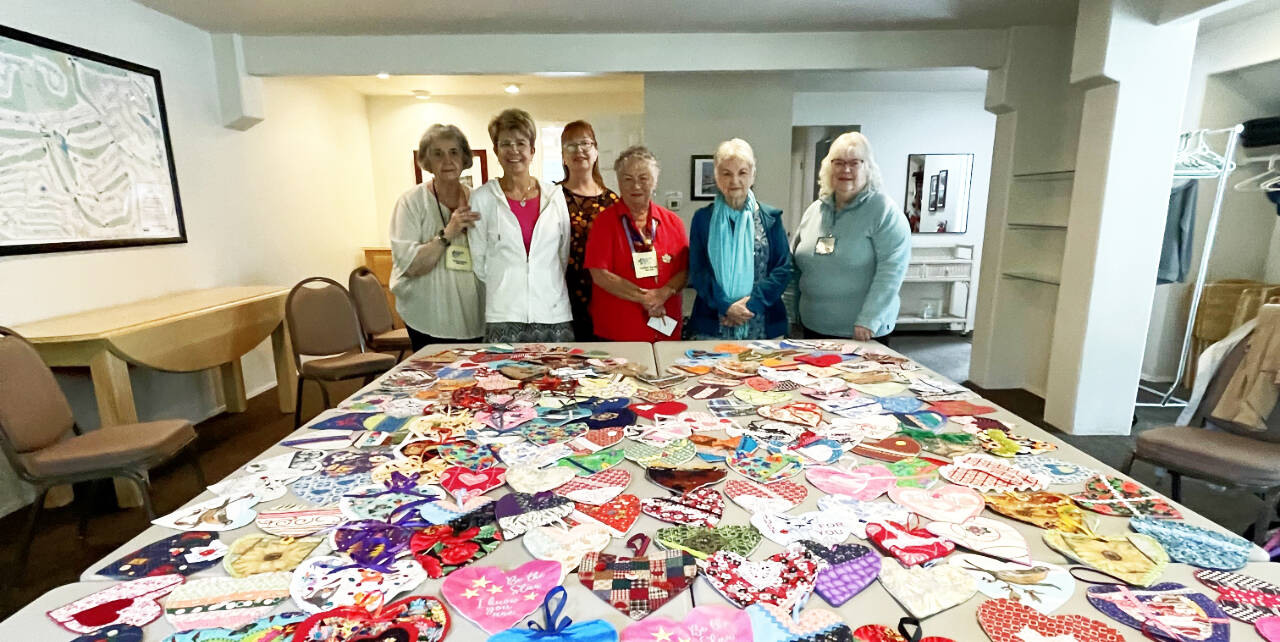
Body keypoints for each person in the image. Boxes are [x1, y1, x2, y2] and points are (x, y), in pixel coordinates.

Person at [791, 131, 910, 342]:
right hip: (813, 326)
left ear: (868, 168)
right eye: (838, 162)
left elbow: (891, 272)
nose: (845, 169)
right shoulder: (814, 210)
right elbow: (795, 263)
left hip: (861, 332)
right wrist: (791, 312)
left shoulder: (884, 212)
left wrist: (868, 320)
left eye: (854, 163)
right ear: (829, 168)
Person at [469, 108, 574, 342]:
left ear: (532, 150)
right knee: (501, 379)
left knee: (559, 378)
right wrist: (508, 285)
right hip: (503, 314)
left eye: (521, 143)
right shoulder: (482, 199)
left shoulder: (554, 196)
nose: (514, 151)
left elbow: (562, 253)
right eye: (505, 143)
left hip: (553, 312)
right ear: (496, 150)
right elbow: (479, 262)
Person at [388, 124, 484, 351]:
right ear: (427, 162)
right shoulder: (411, 202)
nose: (447, 161)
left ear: (464, 158)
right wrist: (448, 232)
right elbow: (411, 266)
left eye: (454, 152)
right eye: (437, 154)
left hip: (475, 314)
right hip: (428, 316)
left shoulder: (480, 200)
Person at [687, 138, 792, 340]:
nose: (734, 181)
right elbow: (698, 271)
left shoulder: (770, 218)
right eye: (726, 173)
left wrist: (749, 306)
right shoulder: (702, 219)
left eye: (742, 173)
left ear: (753, 175)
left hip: (762, 320)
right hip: (713, 322)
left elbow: (783, 269)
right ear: (717, 177)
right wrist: (726, 306)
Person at [584, 146, 689, 342]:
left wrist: (663, 293)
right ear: (618, 182)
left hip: (665, 327)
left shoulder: (674, 222)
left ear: (655, 182)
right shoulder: (604, 223)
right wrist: (645, 297)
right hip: (618, 331)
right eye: (628, 179)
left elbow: (684, 271)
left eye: (643, 178)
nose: (636, 186)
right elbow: (599, 274)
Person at [559, 121, 620, 340]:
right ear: (563, 156)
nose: (579, 151)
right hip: (561, 296)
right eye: (571, 145)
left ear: (595, 152)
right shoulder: (551, 197)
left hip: (603, 294)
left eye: (585, 143)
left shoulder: (612, 201)